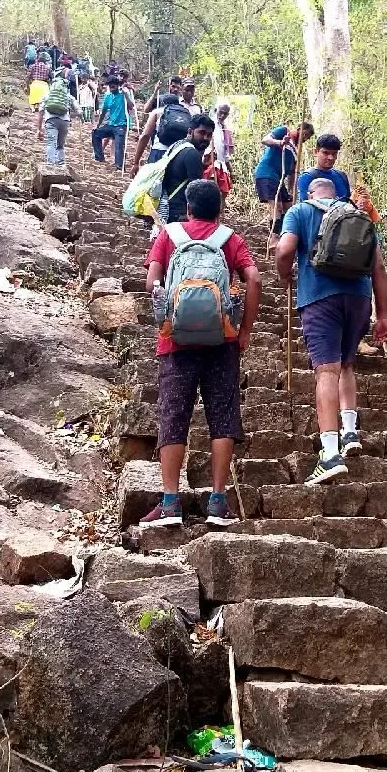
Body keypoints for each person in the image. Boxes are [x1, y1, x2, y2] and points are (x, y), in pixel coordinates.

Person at [140, 179, 262, 527]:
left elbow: (152, 284)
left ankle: (169, 502)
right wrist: (245, 331)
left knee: (174, 415)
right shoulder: (230, 239)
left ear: (189, 207)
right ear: (219, 210)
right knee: (222, 416)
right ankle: (218, 502)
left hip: (175, 342)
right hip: (222, 342)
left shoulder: (169, 235)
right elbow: (254, 279)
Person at [277, 177, 387, 484]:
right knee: (347, 363)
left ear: (310, 193)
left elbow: (285, 249)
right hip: (358, 299)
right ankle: (350, 430)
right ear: (337, 194)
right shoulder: (358, 214)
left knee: (326, 372)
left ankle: (329, 453)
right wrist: (382, 316)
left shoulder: (300, 211)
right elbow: (378, 268)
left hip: (319, 297)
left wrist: (284, 273)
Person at [255, 121, 313, 249]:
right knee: (277, 206)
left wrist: (292, 192)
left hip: (279, 180)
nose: (304, 139)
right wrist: (280, 142)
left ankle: (283, 235)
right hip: (267, 173)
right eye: (305, 134)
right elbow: (265, 140)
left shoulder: (295, 150)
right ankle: (273, 239)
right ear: (299, 129)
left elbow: (292, 173)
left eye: (307, 138)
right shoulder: (284, 131)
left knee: (288, 207)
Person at [158, 114, 215, 224]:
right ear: (190, 132)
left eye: (209, 135)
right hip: (179, 213)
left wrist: (202, 166)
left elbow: (180, 174)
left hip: (168, 207)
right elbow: (196, 191)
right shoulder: (192, 153)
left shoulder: (178, 146)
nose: (205, 138)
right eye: (202, 133)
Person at [131, 93, 189, 175]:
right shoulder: (186, 114)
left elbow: (145, 136)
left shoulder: (157, 112)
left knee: (151, 183)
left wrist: (136, 162)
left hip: (159, 152)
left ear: (162, 103)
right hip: (179, 154)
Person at [92, 76, 135, 170]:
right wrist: (98, 125)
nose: (112, 86)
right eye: (110, 85)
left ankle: (119, 165)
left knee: (119, 144)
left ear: (117, 85)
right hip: (110, 125)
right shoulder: (108, 97)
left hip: (121, 125)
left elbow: (131, 106)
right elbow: (103, 113)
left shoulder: (123, 95)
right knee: (96, 133)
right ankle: (99, 157)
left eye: (113, 85)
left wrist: (126, 95)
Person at [295, 133, 350, 202]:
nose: (331, 158)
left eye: (334, 153)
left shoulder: (342, 176)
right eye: (326, 153)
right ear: (316, 152)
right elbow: (305, 208)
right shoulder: (307, 177)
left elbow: (348, 202)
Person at [38, 72, 74, 165]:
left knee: (51, 142)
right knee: (61, 144)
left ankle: (50, 163)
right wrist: (81, 117)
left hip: (51, 120)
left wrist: (39, 128)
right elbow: (78, 110)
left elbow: (41, 110)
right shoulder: (67, 96)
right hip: (64, 121)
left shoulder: (48, 95)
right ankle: (61, 163)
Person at [204, 102, 235, 195]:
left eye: (225, 114)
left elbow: (225, 153)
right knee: (211, 193)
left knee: (223, 193)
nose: (222, 115)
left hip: (221, 165)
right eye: (220, 112)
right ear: (215, 111)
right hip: (209, 164)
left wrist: (231, 170)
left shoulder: (225, 129)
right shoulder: (209, 124)